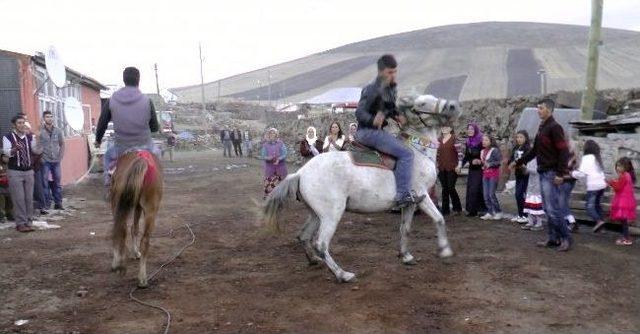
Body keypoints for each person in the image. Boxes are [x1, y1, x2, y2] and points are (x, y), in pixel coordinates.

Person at [355, 54, 425, 209]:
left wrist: (398, 115)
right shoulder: (371, 89)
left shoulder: (390, 88)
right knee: (407, 154)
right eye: (390, 72)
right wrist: (372, 120)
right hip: (367, 132)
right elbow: (359, 112)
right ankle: (402, 195)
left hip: (375, 131)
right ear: (381, 72)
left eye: (395, 72)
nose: (393, 75)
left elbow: (390, 107)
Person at [514, 98, 572, 252]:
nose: (538, 110)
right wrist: (519, 162)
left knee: (553, 209)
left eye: (541, 108)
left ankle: (566, 238)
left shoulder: (555, 128)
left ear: (549, 110)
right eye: (537, 108)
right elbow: (535, 151)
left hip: (552, 173)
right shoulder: (542, 127)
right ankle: (553, 238)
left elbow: (563, 151)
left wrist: (561, 173)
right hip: (543, 172)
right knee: (547, 208)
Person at [94, 67, 160, 186]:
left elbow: (102, 123)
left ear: (124, 80)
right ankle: (157, 184)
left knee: (108, 157)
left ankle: (109, 185)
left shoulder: (112, 100)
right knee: (157, 156)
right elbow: (155, 127)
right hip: (145, 146)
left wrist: (98, 140)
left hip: (121, 147)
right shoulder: (147, 101)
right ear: (138, 80)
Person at [2, 114, 42, 232]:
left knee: (29, 198)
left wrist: (39, 140)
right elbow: (7, 153)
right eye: (19, 123)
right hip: (15, 171)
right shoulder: (8, 137)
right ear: (14, 125)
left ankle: (29, 222)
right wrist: (14, 149)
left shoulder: (30, 137)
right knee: (19, 198)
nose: (21, 125)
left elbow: (37, 150)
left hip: (29, 171)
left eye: (23, 122)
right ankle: (20, 223)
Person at [571, 140, 607, 232]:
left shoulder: (587, 158)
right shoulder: (597, 157)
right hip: (602, 185)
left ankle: (599, 221)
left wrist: (572, 173)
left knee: (589, 206)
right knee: (597, 205)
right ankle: (602, 226)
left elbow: (582, 174)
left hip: (593, 185)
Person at [457, 123, 487, 217]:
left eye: (472, 129)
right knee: (471, 189)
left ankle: (482, 210)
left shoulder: (481, 141)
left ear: (476, 130)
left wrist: (480, 161)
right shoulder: (468, 142)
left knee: (478, 189)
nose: (469, 131)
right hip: (472, 169)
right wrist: (460, 165)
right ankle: (472, 210)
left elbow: (486, 154)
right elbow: (467, 156)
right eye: (468, 129)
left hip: (481, 169)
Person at [606, 157, 637, 246]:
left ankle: (626, 239)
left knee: (624, 221)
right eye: (617, 166)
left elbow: (618, 187)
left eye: (620, 166)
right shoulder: (627, 175)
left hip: (623, 201)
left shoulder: (624, 175)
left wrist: (611, 182)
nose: (618, 168)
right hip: (625, 200)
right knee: (624, 220)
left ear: (626, 167)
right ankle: (625, 237)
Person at [39, 110, 65, 210]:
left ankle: (58, 203)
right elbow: (37, 145)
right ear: (44, 119)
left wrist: (60, 156)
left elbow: (62, 144)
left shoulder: (58, 131)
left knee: (57, 182)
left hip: (56, 161)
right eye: (47, 117)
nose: (49, 118)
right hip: (45, 161)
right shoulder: (40, 131)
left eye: (51, 116)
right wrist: (40, 158)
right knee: (45, 183)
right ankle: (47, 203)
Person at [436, 124, 462, 216]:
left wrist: (459, 165)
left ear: (451, 128)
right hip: (442, 167)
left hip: (453, 167)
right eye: (442, 127)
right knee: (444, 188)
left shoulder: (455, 139)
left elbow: (460, 154)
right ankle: (445, 210)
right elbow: (437, 154)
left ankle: (457, 208)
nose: (444, 128)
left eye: (446, 127)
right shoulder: (438, 140)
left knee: (451, 187)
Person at [509, 130, 531, 223]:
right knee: (517, 194)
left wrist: (516, 162)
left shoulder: (528, 148)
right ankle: (520, 214)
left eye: (521, 137)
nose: (519, 139)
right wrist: (510, 163)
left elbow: (525, 158)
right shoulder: (516, 148)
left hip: (525, 174)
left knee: (522, 194)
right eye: (517, 137)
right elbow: (511, 159)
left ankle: (525, 215)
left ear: (525, 138)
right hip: (518, 174)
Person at [480, 134, 503, 220]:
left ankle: (498, 211)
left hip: (493, 175)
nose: (484, 142)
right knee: (486, 195)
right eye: (483, 140)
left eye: (486, 140)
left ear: (490, 141)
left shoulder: (494, 150)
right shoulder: (482, 151)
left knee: (491, 194)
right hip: (485, 175)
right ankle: (490, 212)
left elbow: (498, 162)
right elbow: (484, 163)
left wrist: (490, 164)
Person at [260, 128, 288, 199]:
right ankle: (267, 196)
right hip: (269, 167)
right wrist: (268, 158)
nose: (272, 135)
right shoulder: (265, 145)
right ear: (268, 135)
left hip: (280, 167)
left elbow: (285, 153)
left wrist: (279, 159)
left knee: (276, 184)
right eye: (270, 133)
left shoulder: (281, 143)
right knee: (267, 184)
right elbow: (263, 155)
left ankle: (277, 197)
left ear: (276, 134)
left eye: (273, 133)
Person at [521, 159, 544, 231]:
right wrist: (523, 169)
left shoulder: (540, 158)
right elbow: (526, 172)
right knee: (529, 203)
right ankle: (530, 221)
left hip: (538, 184)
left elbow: (538, 170)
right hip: (531, 184)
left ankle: (539, 223)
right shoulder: (529, 159)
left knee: (537, 204)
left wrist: (526, 168)